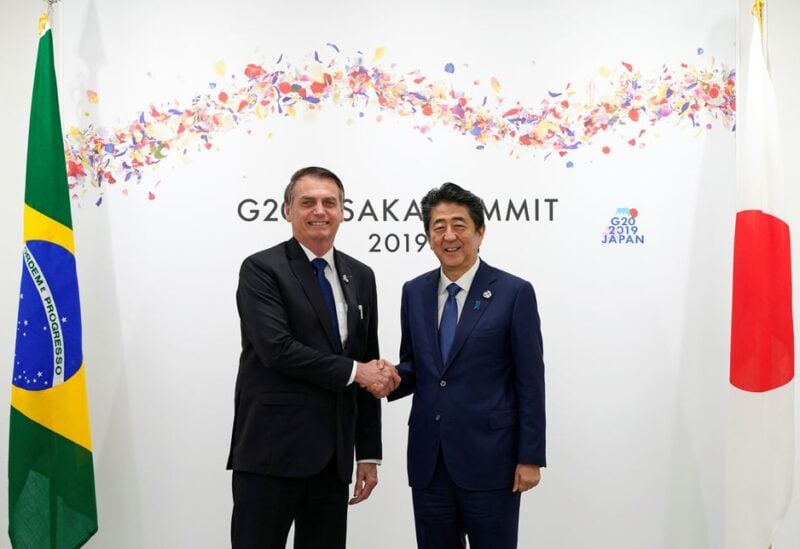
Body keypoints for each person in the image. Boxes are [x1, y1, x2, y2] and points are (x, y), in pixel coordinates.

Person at [227, 166, 399, 549]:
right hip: (270, 455)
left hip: (332, 462)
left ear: (342, 211)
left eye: (329, 203)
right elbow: (277, 349)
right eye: (307, 202)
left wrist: (368, 453)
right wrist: (358, 372)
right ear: (288, 210)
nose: (319, 210)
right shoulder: (261, 269)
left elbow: (367, 361)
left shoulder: (361, 275)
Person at [386, 182, 546, 549]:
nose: (449, 235)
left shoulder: (513, 292)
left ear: (480, 232)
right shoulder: (414, 291)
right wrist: (391, 376)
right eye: (439, 226)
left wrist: (530, 456)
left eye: (459, 224)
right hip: (429, 461)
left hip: (493, 460)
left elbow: (530, 380)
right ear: (428, 237)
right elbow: (417, 365)